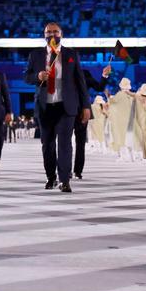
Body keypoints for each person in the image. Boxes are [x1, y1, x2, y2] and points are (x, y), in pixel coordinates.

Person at [24, 22, 91, 192]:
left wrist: (86, 106)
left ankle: (64, 180)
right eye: (48, 32)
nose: (52, 34)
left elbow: (80, 82)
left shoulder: (71, 54)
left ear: (61, 34)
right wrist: (37, 76)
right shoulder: (35, 55)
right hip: (45, 106)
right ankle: (51, 177)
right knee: (47, 144)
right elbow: (27, 77)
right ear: (44, 35)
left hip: (66, 106)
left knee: (65, 143)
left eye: (55, 31)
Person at [106, 77, 135, 158]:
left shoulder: (120, 94)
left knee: (121, 138)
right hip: (130, 120)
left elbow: (112, 103)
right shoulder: (131, 95)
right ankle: (132, 156)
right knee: (130, 138)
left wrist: (108, 96)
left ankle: (124, 156)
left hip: (121, 121)